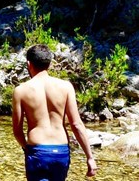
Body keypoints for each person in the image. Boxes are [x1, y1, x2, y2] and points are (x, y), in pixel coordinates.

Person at [12, 44, 97, 180]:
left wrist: (27, 149)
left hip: (37, 151)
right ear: (49, 64)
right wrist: (90, 157)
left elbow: (17, 131)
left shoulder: (20, 91)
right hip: (61, 151)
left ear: (29, 64)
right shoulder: (66, 87)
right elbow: (76, 124)